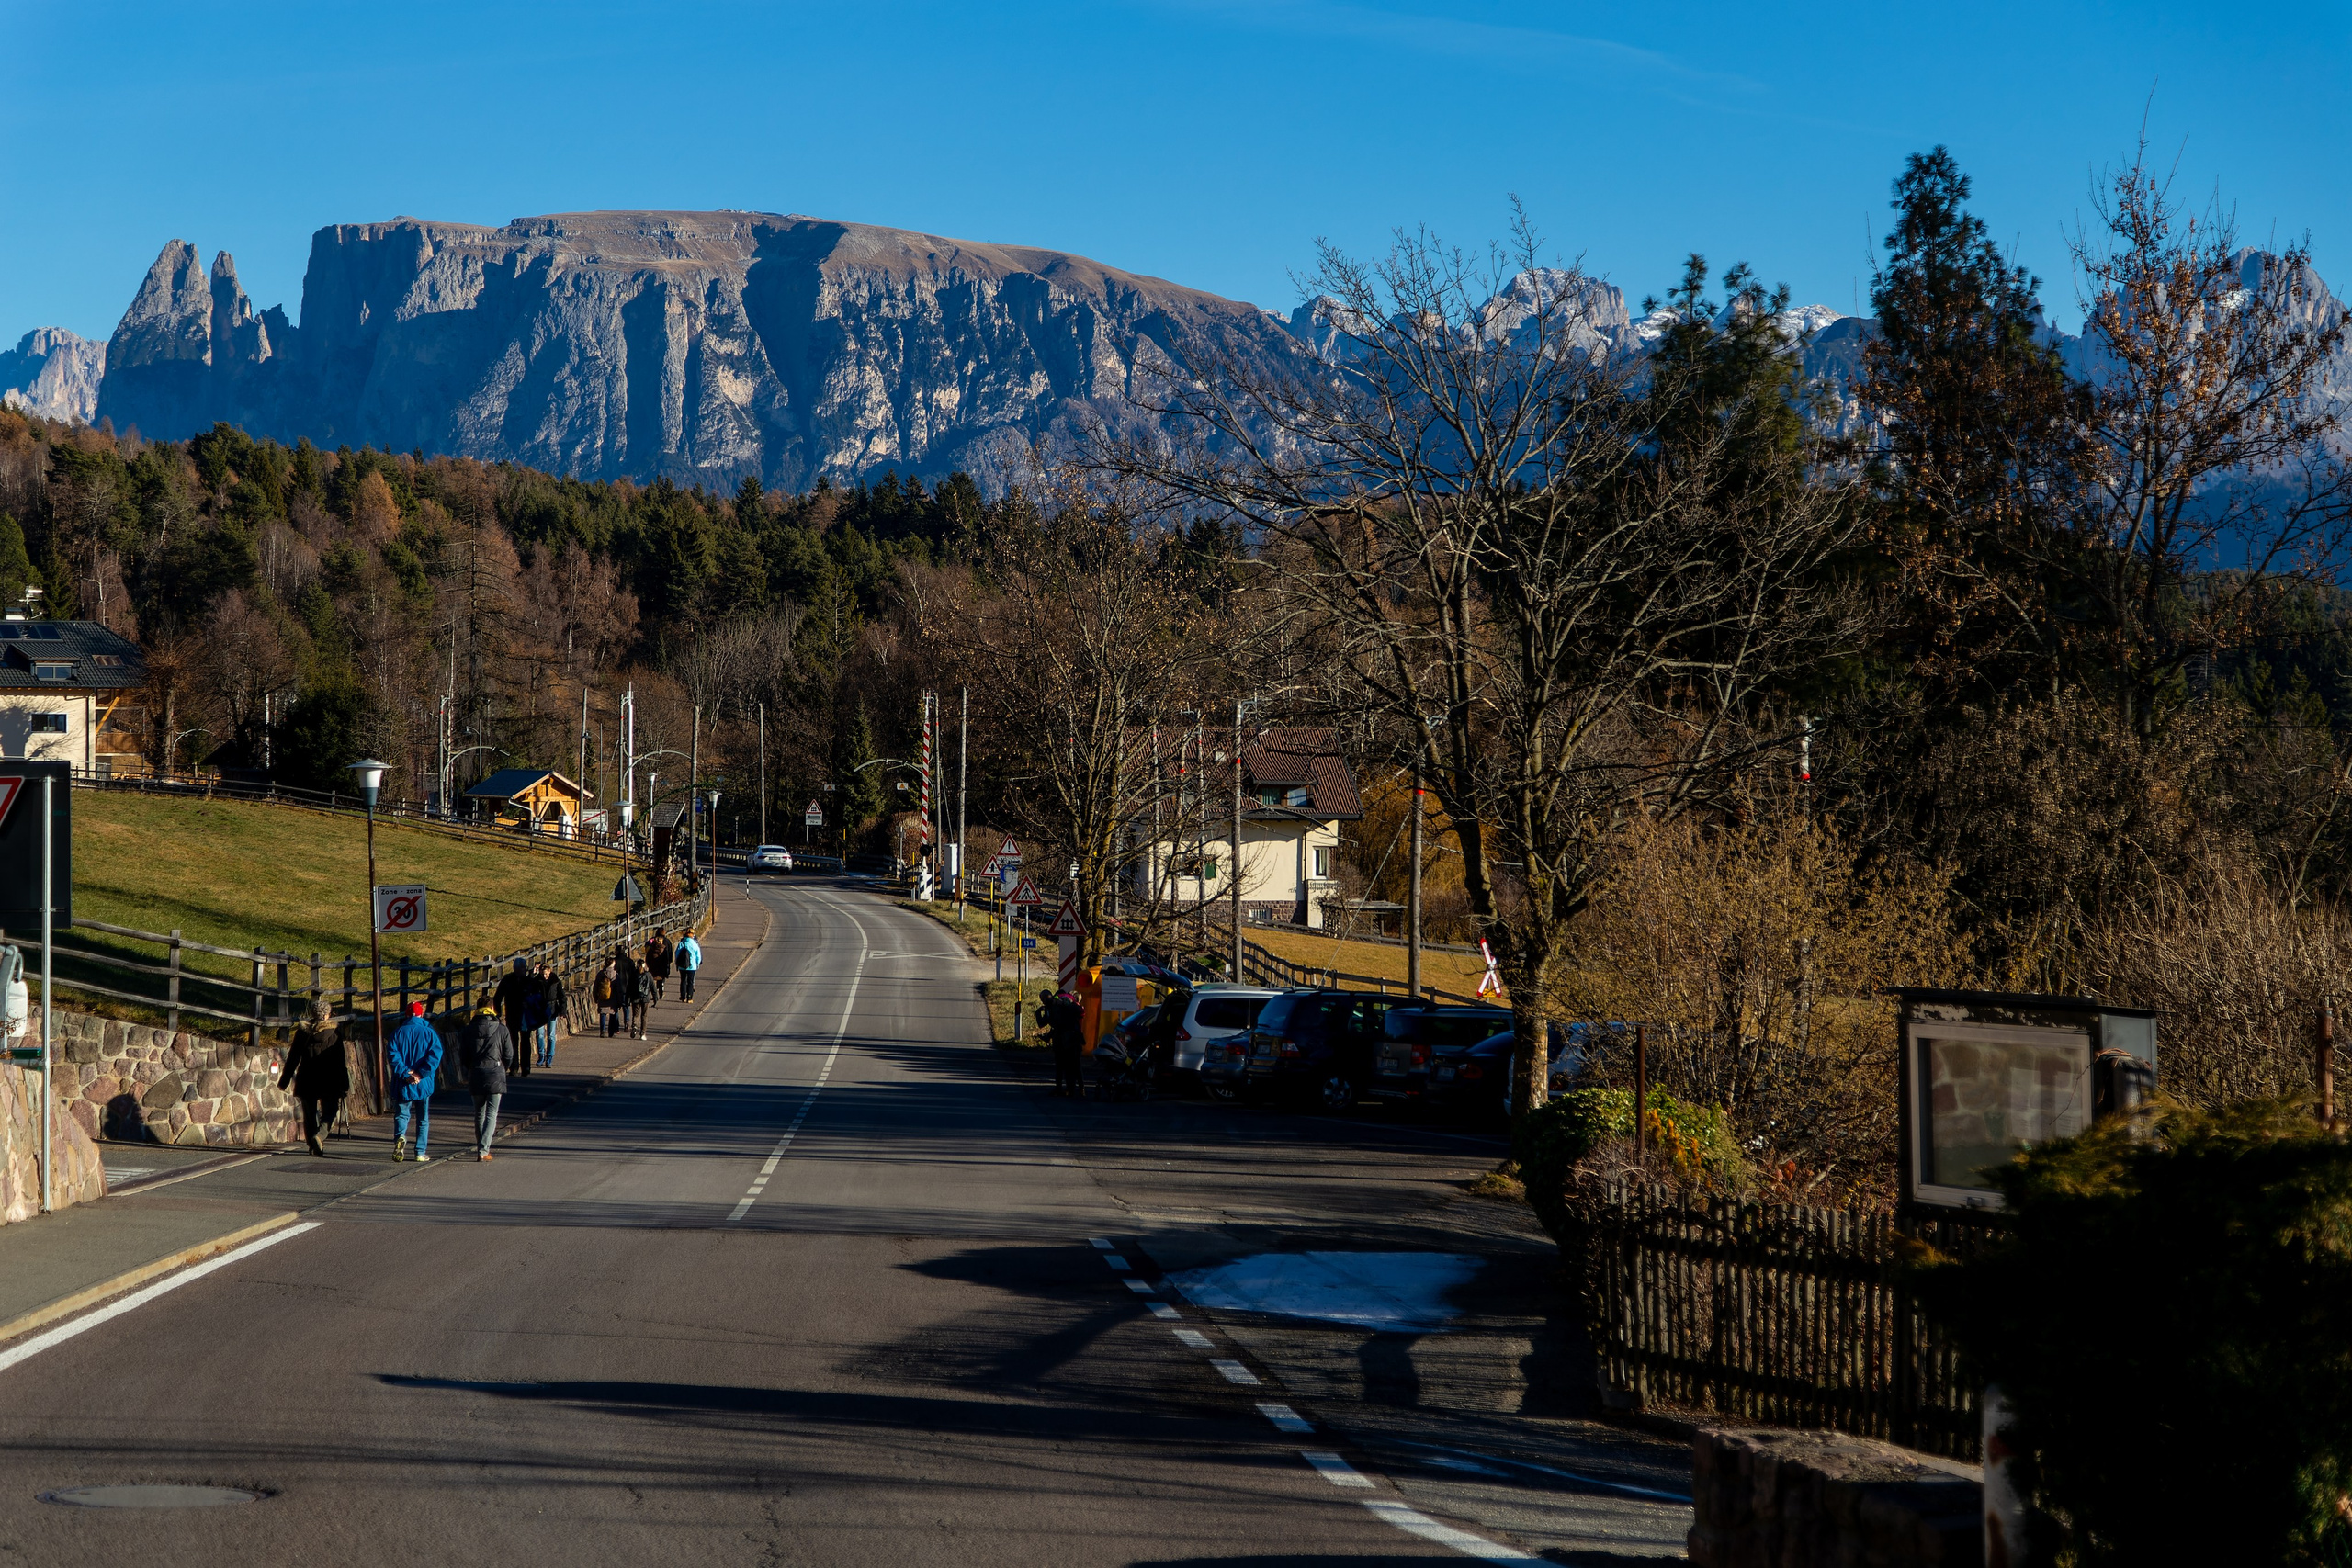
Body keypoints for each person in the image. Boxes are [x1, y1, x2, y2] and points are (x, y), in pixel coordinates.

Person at [278, 998, 349, 1156]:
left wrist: (285, 1079)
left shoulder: (303, 1032)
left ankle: (312, 1143)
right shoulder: (334, 1033)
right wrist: (345, 1083)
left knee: (309, 1113)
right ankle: (320, 1135)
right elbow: (340, 1060)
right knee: (330, 1110)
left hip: (307, 1077)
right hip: (329, 1078)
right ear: (326, 1016)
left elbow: (293, 1057)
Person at [386, 1000, 443, 1162]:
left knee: (402, 1114)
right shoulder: (429, 1033)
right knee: (422, 1118)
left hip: (403, 1082)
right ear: (421, 1014)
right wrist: (420, 1074)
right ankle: (419, 1152)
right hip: (423, 1083)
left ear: (406, 1014)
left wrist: (406, 1073)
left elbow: (393, 1055)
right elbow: (434, 1057)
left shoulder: (397, 1033)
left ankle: (400, 1137)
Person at [457, 1002, 514, 1161]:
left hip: (476, 1073)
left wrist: (471, 1068)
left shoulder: (468, 1030)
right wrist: (504, 1068)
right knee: (492, 1113)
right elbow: (508, 1054)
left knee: (479, 1113)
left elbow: (463, 1056)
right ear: (492, 1008)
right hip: (495, 1072)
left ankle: (480, 1147)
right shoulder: (502, 1029)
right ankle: (483, 1149)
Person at [1039, 989, 1085, 1097]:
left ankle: (1063, 1089)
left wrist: (1038, 1012)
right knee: (1076, 1064)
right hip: (1076, 1037)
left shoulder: (1053, 1005)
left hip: (1063, 1039)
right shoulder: (1069, 1004)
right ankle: (1081, 1089)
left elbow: (1050, 1024)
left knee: (1061, 1065)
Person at [535, 961, 566, 1069]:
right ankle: (541, 1055)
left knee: (551, 1035)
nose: (544, 976)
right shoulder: (536, 981)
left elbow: (562, 997)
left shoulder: (556, 982)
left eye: (546, 974)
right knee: (540, 1034)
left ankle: (549, 1057)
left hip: (552, 1009)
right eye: (543, 974)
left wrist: (563, 1011)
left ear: (550, 971)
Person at [616, 946, 646, 1040]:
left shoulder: (615, 961)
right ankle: (626, 1023)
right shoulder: (630, 962)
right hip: (627, 987)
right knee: (626, 1006)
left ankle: (616, 1026)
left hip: (617, 986)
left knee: (616, 1007)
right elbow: (634, 974)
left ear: (617, 951)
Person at [593, 956, 622, 1038]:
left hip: (602, 997)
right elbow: (619, 989)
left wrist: (595, 997)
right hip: (613, 998)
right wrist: (620, 1000)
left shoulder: (600, 974)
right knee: (612, 1014)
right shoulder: (616, 974)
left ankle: (602, 1031)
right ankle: (611, 1032)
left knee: (603, 1013)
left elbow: (596, 987)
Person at [643, 929, 673, 1002]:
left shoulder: (652, 944)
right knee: (661, 979)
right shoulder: (667, 942)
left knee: (652, 980)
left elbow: (647, 957)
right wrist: (669, 961)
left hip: (653, 965)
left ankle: (653, 993)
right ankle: (661, 992)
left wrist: (648, 964)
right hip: (662, 966)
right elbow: (670, 952)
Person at [675, 930, 703, 1002]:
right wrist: (697, 964)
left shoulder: (682, 943)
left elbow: (677, 954)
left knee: (683, 980)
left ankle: (683, 997)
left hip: (682, 966)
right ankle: (689, 998)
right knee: (690, 982)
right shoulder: (694, 944)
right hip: (692, 966)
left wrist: (677, 963)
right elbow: (698, 956)